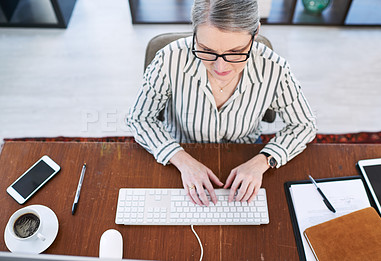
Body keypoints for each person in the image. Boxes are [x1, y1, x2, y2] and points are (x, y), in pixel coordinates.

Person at [126, 0, 317, 206]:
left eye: (235, 52)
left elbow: (304, 124)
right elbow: (139, 118)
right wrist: (183, 160)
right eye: (206, 49)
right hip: (179, 155)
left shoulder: (275, 68)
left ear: (255, 33)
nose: (220, 67)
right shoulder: (169, 59)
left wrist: (263, 161)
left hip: (246, 158)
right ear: (194, 33)